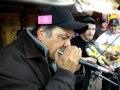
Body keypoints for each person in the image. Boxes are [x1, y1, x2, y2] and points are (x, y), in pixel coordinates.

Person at [0, 7, 88, 90]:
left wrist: (74, 70)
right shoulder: (9, 64)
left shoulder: (49, 52)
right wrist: (65, 73)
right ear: (42, 33)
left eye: (71, 38)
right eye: (64, 37)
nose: (68, 45)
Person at [71, 16, 100, 90]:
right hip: (74, 81)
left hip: (87, 79)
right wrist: (83, 59)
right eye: (88, 29)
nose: (91, 32)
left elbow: (97, 57)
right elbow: (66, 59)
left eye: (93, 29)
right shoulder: (73, 42)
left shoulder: (92, 42)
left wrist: (106, 66)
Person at [95, 18, 120, 90]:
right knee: (106, 83)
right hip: (108, 65)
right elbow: (96, 43)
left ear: (118, 26)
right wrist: (107, 51)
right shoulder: (105, 35)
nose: (113, 28)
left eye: (115, 26)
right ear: (109, 26)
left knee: (116, 84)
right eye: (111, 26)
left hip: (118, 65)